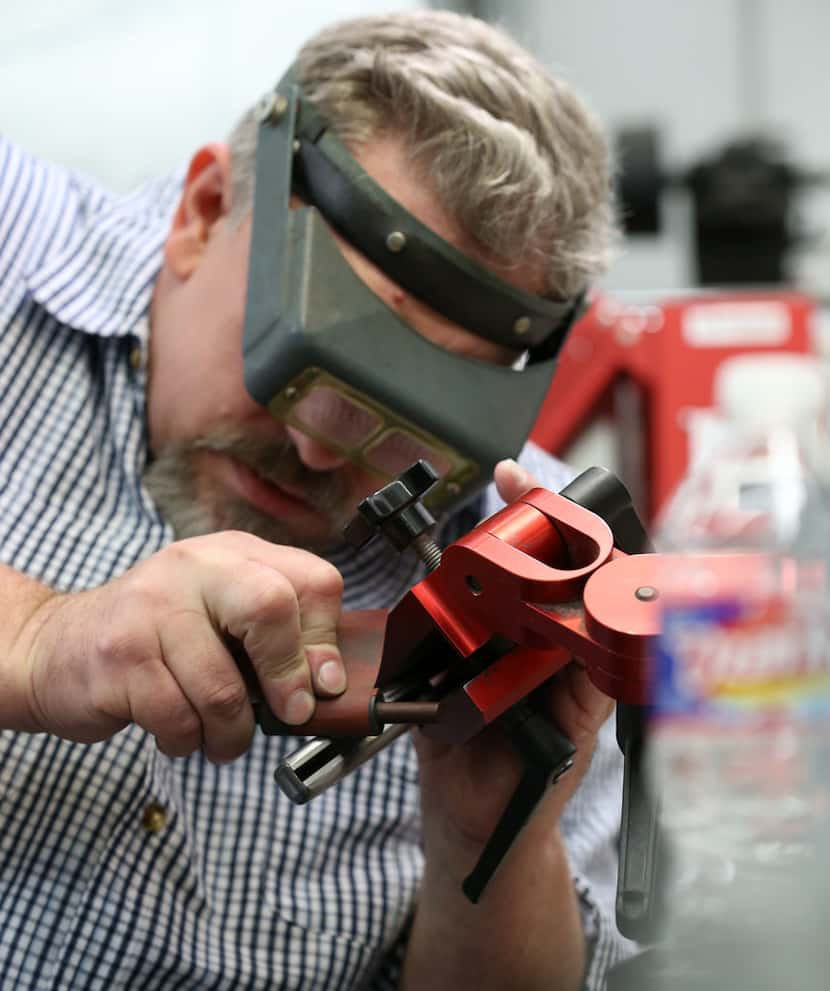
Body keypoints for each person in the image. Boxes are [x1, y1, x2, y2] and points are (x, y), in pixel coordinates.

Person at [0, 10, 630, 990]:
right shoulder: (12, 251)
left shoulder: (524, 570)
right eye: (304, 359)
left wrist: (490, 846)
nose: (312, 443)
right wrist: (39, 637)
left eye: (408, 418)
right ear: (204, 211)